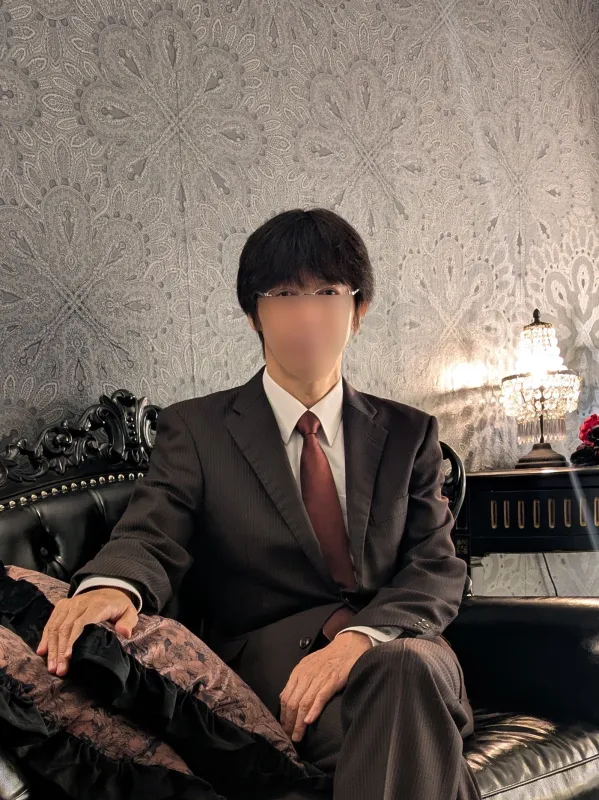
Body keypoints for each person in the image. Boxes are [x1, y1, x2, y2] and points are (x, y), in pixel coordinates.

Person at [37, 208, 480, 800]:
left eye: (328, 292)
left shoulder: (409, 432)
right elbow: (151, 531)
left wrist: (360, 639)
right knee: (409, 717)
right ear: (253, 313)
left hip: (407, 651)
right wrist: (112, 586)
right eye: (285, 294)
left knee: (406, 668)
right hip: (283, 678)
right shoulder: (197, 429)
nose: (307, 313)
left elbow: (436, 565)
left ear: (359, 309)